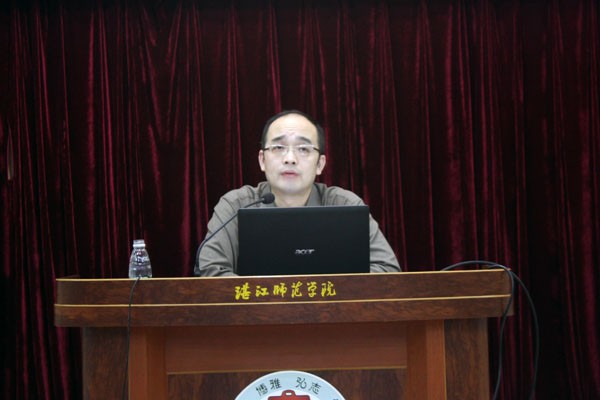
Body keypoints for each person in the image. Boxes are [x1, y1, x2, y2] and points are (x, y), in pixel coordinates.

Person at [194, 110, 401, 276]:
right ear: (262, 160)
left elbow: (387, 271)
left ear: (320, 164)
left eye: (303, 149)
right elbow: (209, 270)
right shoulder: (236, 205)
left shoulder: (345, 205)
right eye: (278, 147)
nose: (290, 158)